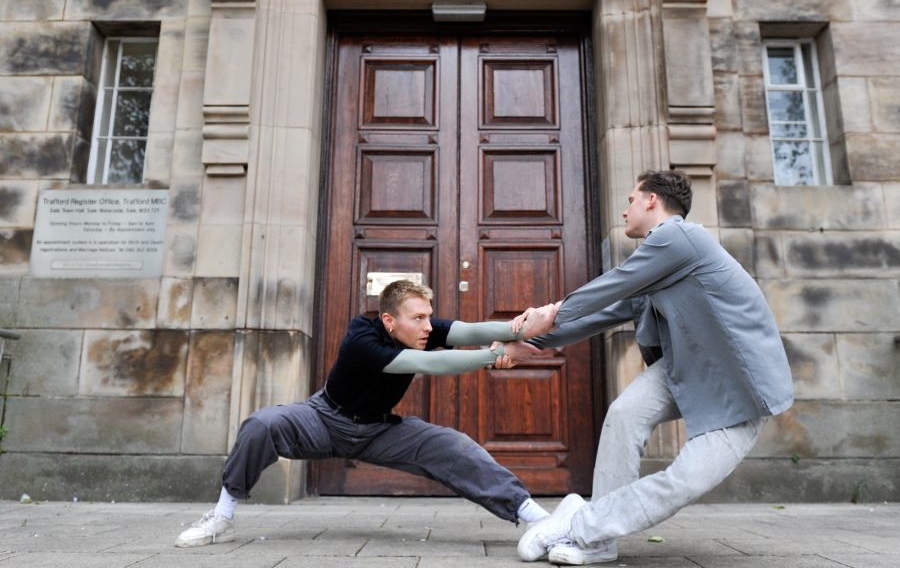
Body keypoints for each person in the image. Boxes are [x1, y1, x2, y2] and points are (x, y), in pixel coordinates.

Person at [503, 170, 794, 565]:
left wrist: (548, 314)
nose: (625, 212)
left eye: (630, 201)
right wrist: (528, 344)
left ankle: (581, 526)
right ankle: (598, 541)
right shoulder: (658, 261)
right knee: (624, 415)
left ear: (653, 200)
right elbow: (606, 311)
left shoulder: (679, 237)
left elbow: (613, 285)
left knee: (684, 481)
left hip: (739, 385)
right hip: (683, 367)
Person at [175, 279, 549, 547]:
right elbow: (434, 365)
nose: (428, 326)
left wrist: (516, 327)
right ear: (389, 321)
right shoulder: (362, 339)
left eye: (429, 317)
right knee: (262, 424)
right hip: (322, 420)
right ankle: (221, 515)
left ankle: (535, 516)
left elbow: (467, 332)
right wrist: (496, 356)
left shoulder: (420, 331)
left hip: (378, 432)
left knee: (454, 447)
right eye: (418, 318)